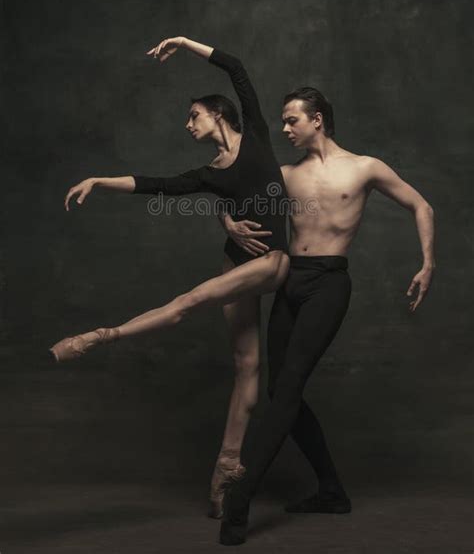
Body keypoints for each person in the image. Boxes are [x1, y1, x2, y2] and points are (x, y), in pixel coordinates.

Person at [49, 36, 290, 517]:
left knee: (184, 305)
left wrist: (182, 42)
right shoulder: (209, 173)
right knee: (247, 368)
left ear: (219, 114)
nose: (188, 125)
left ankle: (101, 336)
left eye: (193, 115)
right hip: (235, 261)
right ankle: (226, 469)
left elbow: (236, 67)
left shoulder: (259, 135)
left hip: (272, 261)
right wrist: (100, 180)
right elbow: (154, 185)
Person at [219, 86, 435, 546]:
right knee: (282, 391)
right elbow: (224, 186)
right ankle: (332, 491)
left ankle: (239, 500)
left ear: (317, 120)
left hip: (329, 284)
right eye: (280, 121)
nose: (284, 128)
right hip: (289, 281)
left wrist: (427, 263)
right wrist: (228, 222)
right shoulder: (285, 175)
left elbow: (422, 205)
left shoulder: (364, 168)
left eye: (291, 120)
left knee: (288, 390)